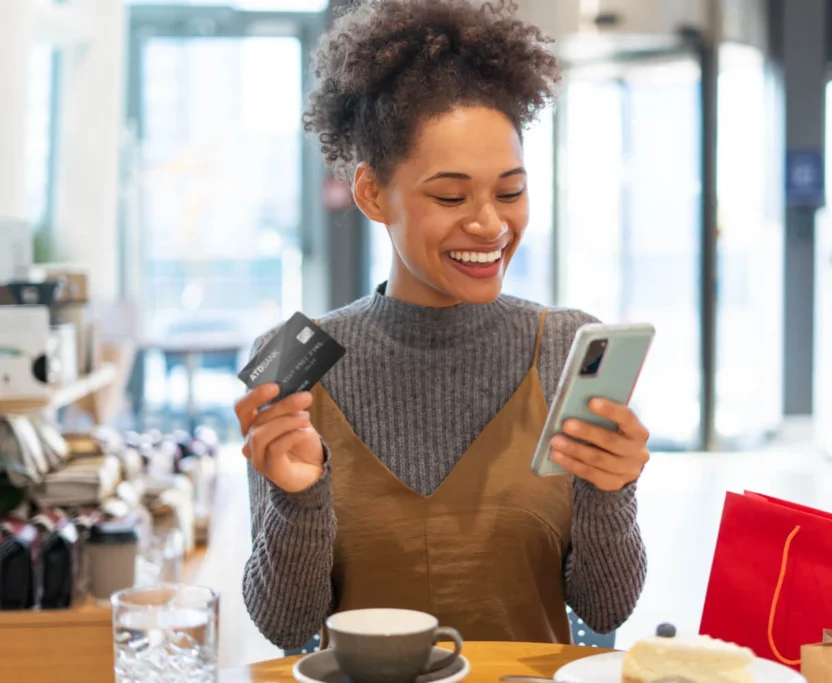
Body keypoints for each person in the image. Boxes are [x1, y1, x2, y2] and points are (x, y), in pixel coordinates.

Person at [237, 0, 649, 650]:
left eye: (510, 191)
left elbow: (603, 606)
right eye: (451, 196)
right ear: (373, 193)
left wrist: (611, 492)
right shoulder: (293, 356)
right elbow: (285, 625)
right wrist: (297, 500)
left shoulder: (567, 348)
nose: (489, 224)